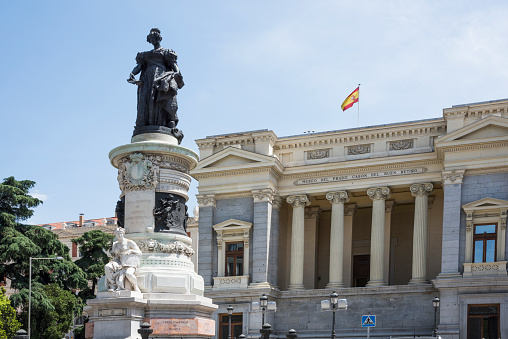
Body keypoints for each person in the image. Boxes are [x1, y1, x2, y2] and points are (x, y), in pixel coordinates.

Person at [128, 28, 184, 141]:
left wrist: (172, 75)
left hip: (160, 79)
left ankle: (165, 122)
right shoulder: (144, 55)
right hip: (147, 80)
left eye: (155, 38)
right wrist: (132, 74)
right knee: (147, 101)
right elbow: (139, 67)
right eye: (151, 38)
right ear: (149, 40)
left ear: (159, 39)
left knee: (160, 100)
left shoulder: (166, 53)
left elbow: (175, 68)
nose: (153, 40)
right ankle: (147, 123)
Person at [105, 228, 142, 292]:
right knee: (107, 266)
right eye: (117, 234)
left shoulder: (129, 242)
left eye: (121, 234)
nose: (119, 235)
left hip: (129, 263)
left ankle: (135, 286)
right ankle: (113, 285)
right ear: (115, 235)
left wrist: (131, 250)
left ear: (123, 234)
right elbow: (115, 256)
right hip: (119, 262)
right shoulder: (115, 244)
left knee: (128, 274)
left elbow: (139, 252)